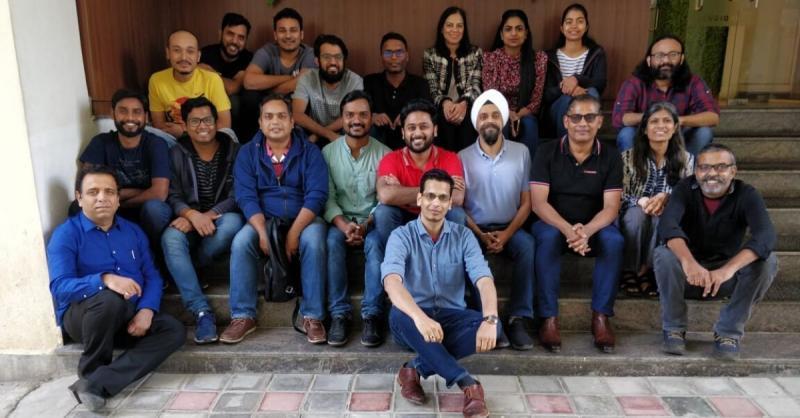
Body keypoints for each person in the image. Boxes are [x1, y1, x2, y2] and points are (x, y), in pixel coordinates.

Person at [47, 165, 185, 412]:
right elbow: (60, 287)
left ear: (118, 199)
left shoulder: (133, 232)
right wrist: (104, 279)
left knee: (173, 329)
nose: (102, 197)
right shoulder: (66, 234)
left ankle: (96, 383)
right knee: (108, 300)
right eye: (93, 192)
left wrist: (146, 310)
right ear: (79, 198)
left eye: (109, 192)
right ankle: (91, 370)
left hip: (127, 315)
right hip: (85, 317)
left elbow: (152, 276)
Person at [384, 169, 498, 418]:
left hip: (450, 317)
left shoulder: (464, 236)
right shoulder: (401, 236)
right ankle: (468, 384)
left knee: (494, 328)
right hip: (412, 321)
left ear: (449, 203)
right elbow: (392, 282)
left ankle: (413, 369)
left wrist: (490, 319)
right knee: (399, 312)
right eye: (430, 196)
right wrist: (420, 318)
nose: (435, 203)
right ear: (419, 199)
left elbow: (483, 279)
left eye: (443, 198)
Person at [221, 94, 328, 345]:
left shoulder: (310, 152)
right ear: (260, 123)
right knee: (241, 242)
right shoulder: (247, 153)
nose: (275, 122)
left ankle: (312, 316)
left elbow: (316, 195)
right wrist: (261, 232)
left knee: (314, 240)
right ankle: (243, 315)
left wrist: (294, 234)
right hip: (264, 218)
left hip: (304, 218)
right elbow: (245, 196)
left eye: (281, 116)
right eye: (268, 117)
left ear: (292, 122)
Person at [654, 143, 777, 360]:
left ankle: (728, 332)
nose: (712, 173)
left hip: (724, 279)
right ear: (696, 171)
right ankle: (673, 328)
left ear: (733, 171)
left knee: (769, 261)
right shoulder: (684, 189)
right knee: (663, 255)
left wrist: (727, 270)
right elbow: (667, 226)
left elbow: (765, 236)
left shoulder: (747, 194)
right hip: (688, 277)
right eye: (704, 167)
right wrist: (689, 263)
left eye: (720, 167)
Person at [530, 94, 624, 354]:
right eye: (576, 117)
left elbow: (611, 207)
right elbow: (538, 203)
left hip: (593, 226)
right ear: (566, 121)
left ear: (600, 122)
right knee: (547, 238)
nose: (583, 123)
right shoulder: (546, 152)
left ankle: (601, 317)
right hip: (553, 223)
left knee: (614, 241)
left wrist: (587, 231)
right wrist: (568, 230)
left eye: (590, 117)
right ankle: (548, 318)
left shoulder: (611, 156)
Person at [161, 97, 243, 344]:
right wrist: (190, 214)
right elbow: (172, 194)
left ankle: (190, 267)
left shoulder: (235, 151)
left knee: (233, 224)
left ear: (217, 122)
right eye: (195, 121)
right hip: (188, 217)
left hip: (220, 217)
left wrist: (206, 216)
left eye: (207, 120)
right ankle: (201, 312)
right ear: (185, 126)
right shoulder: (176, 153)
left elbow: (238, 194)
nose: (202, 126)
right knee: (170, 238)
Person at [459, 90, 535, 350]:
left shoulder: (521, 152)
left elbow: (527, 203)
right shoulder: (462, 157)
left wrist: (507, 234)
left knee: (528, 246)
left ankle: (518, 318)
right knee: (469, 253)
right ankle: (488, 320)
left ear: (502, 119)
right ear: (476, 123)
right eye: (483, 116)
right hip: (475, 229)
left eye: (494, 115)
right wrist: (480, 235)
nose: (489, 120)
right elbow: (459, 206)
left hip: (510, 228)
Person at [322, 90, 391, 347]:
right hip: (338, 221)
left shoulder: (386, 155)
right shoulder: (327, 153)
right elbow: (326, 197)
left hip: (372, 223)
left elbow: (384, 200)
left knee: (375, 244)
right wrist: (343, 225)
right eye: (350, 115)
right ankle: (339, 314)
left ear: (371, 118)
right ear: (342, 118)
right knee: (331, 242)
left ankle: (372, 314)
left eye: (363, 114)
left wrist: (365, 225)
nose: (356, 120)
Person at [77, 89, 172, 247]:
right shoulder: (101, 143)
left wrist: (117, 201)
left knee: (154, 208)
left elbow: (159, 193)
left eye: (137, 112)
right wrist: (137, 192)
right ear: (112, 113)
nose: (130, 118)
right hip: (110, 208)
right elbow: (87, 189)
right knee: (77, 207)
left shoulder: (156, 144)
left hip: (143, 210)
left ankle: (154, 253)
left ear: (146, 116)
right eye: (123, 111)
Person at [619, 102, 694, 298]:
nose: (661, 126)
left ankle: (649, 270)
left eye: (667, 121)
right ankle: (630, 270)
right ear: (644, 128)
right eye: (654, 121)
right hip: (633, 211)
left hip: (667, 213)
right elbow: (619, 194)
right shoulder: (627, 158)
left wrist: (668, 198)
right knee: (636, 216)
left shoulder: (686, 160)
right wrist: (641, 201)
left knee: (661, 216)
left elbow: (690, 195)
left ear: (675, 127)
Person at [374, 99, 466, 252]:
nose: (417, 133)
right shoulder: (390, 159)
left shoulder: (450, 158)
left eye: (424, 127)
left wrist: (402, 193)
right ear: (403, 133)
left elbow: (456, 197)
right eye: (411, 128)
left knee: (456, 214)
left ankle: (445, 261)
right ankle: (397, 258)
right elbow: (386, 195)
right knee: (383, 212)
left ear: (435, 130)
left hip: (437, 216)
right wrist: (440, 190)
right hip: (402, 217)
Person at [612, 35, 719, 154]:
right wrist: (655, 119)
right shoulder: (634, 83)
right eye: (659, 56)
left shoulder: (694, 82)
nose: (666, 61)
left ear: (682, 58)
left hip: (679, 137)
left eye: (673, 55)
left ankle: (687, 166)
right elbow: (620, 118)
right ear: (649, 60)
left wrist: (677, 120)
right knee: (626, 133)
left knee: (704, 133)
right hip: (645, 137)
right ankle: (634, 166)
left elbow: (712, 117)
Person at [482, 9, 547, 165]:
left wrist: (517, 115)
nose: (513, 33)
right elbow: (490, 95)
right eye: (508, 29)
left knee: (529, 125)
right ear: (501, 34)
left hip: (526, 113)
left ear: (526, 34)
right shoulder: (490, 58)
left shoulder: (538, 59)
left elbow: (536, 100)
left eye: (519, 29)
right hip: (498, 111)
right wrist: (508, 114)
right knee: (500, 124)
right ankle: (500, 168)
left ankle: (529, 173)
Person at [241, 8, 316, 141]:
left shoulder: (309, 54)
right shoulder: (267, 51)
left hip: (297, 106)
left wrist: (268, 89)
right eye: (282, 31)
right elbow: (248, 81)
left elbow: (303, 81)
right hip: (269, 106)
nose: (288, 36)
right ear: (275, 35)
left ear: (301, 34)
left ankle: (300, 140)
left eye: (293, 30)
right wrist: (291, 77)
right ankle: (255, 142)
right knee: (249, 96)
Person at [149, 30, 232, 140]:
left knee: (229, 134)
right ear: (168, 53)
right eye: (177, 50)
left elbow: (224, 125)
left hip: (207, 137)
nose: (184, 57)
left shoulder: (212, 79)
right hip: (174, 139)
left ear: (198, 56)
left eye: (190, 51)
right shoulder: (156, 80)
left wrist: (184, 131)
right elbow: (159, 126)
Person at [544, 3, 607, 139]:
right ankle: (565, 146)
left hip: (586, 103)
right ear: (562, 28)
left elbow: (600, 83)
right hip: (557, 109)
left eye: (579, 21)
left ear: (586, 27)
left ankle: (588, 143)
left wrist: (576, 79)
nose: (574, 26)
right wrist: (566, 88)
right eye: (569, 22)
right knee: (567, 100)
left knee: (592, 92)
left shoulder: (596, 53)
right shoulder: (548, 57)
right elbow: (546, 94)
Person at [423, 6, 481, 152]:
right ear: (442, 29)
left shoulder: (475, 53)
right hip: (441, 106)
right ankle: (446, 163)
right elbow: (432, 88)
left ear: (464, 29)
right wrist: (445, 103)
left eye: (459, 26)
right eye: (449, 25)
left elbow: (476, 85)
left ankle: (466, 163)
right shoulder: (430, 54)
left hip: (467, 105)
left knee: (468, 119)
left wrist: (463, 103)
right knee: (443, 119)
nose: (454, 30)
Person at [364, 32, 432, 150]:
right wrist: (372, 116)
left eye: (399, 52)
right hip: (377, 145)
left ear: (407, 56)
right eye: (388, 53)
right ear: (381, 56)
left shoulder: (420, 84)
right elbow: (360, 110)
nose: (394, 57)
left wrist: (410, 116)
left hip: (410, 144)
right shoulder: (370, 82)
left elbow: (429, 113)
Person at [292, 34, 363, 144]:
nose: (333, 62)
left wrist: (319, 135)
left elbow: (353, 115)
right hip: (312, 132)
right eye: (326, 57)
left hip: (342, 134)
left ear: (344, 60)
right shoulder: (307, 78)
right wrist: (327, 134)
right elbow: (297, 114)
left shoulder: (354, 81)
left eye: (338, 57)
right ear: (317, 61)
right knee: (294, 130)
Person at [199, 13, 254, 137]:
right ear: (220, 33)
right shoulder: (205, 54)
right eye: (230, 34)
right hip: (206, 101)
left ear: (246, 40)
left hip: (237, 113)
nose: (234, 41)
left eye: (241, 37)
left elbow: (233, 88)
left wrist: (211, 72)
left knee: (234, 100)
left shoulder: (249, 59)